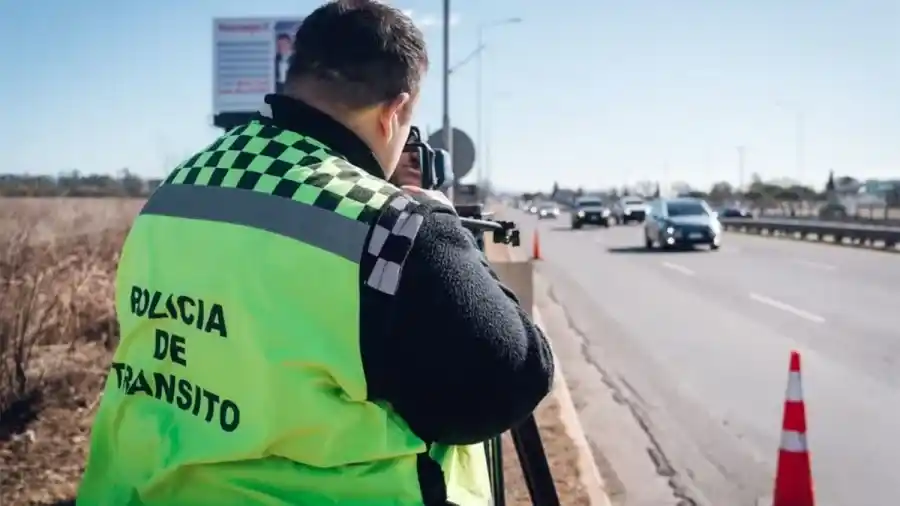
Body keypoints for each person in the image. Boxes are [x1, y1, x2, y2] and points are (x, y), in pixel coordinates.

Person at [77, 1, 554, 505]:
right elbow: (513, 380)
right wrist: (442, 226)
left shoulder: (180, 186)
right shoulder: (393, 227)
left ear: (295, 75)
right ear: (394, 113)